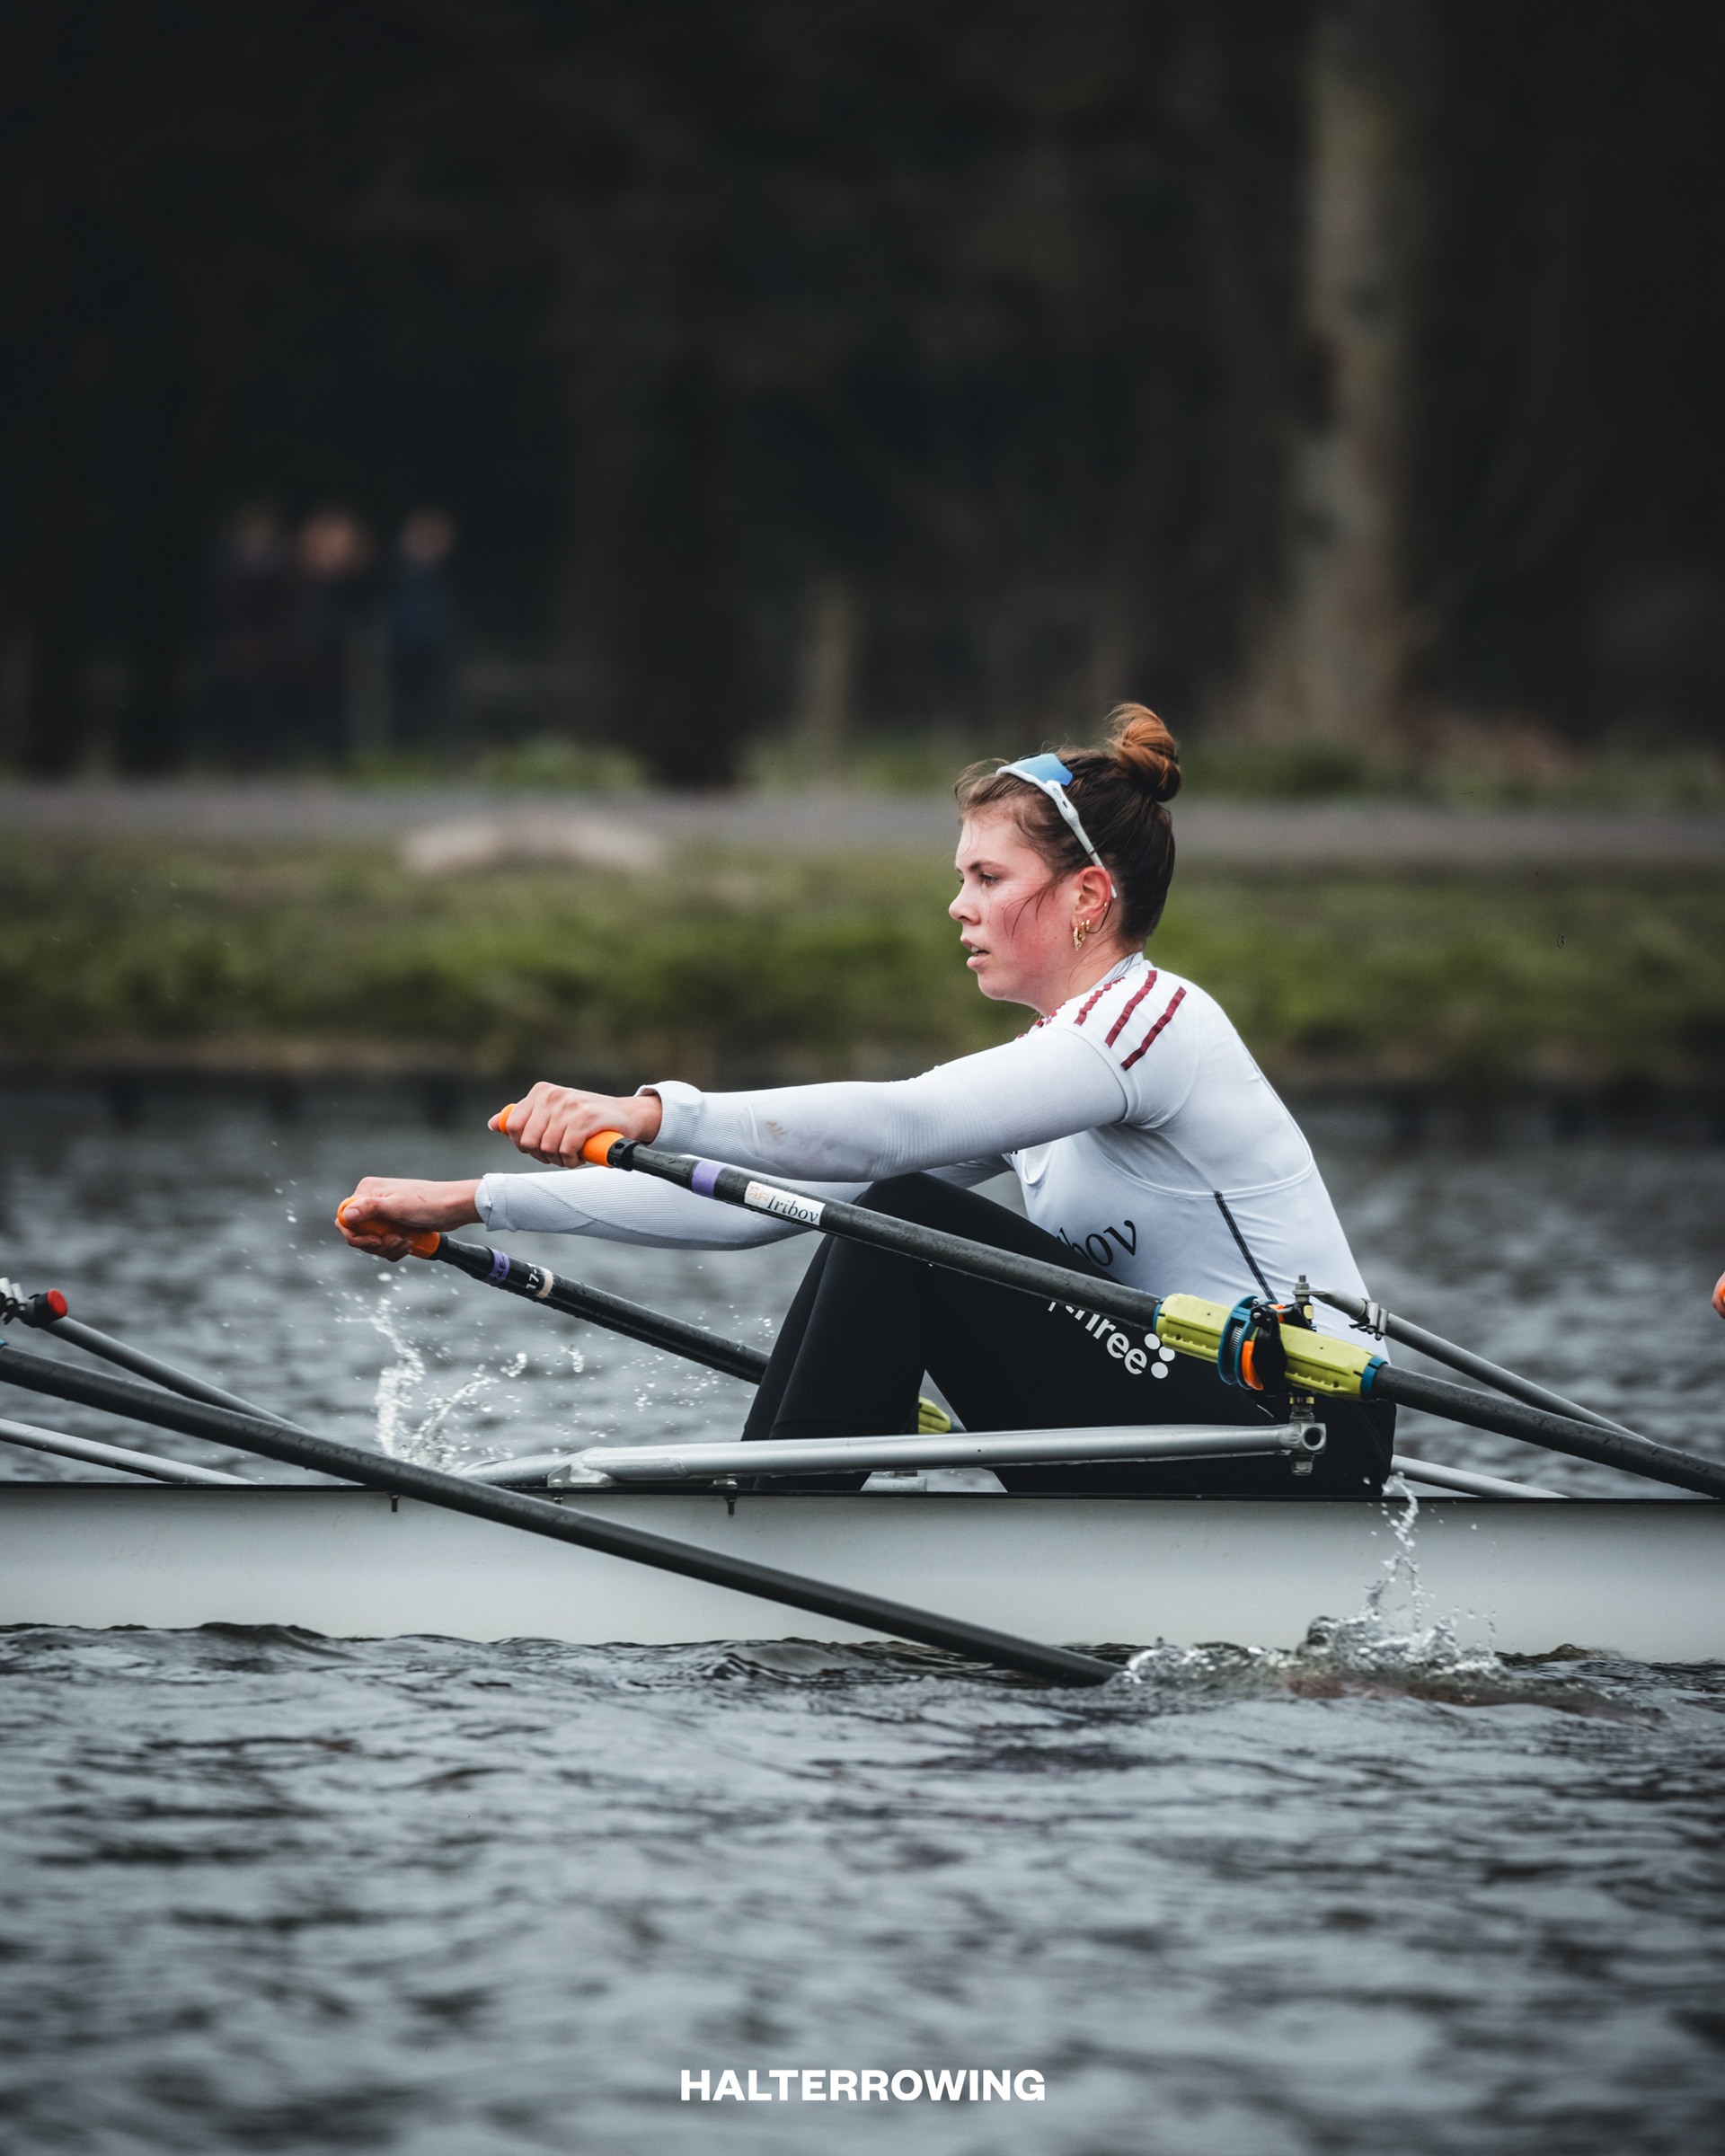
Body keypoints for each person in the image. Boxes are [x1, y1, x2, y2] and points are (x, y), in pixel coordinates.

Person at [336, 704, 1393, 1494]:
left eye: (987, 878)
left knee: (906, 1218)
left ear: (1085, 897)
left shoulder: (1154, 1024)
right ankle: (773, 1512)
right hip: (1195, 1420)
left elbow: (896, 1130)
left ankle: (777, 1532)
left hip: (1301, 1434)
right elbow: (756, 1204)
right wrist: (476, 1201)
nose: (957, 905)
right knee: (887, 1218)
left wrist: (655, 1113)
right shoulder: (1059, 1063)